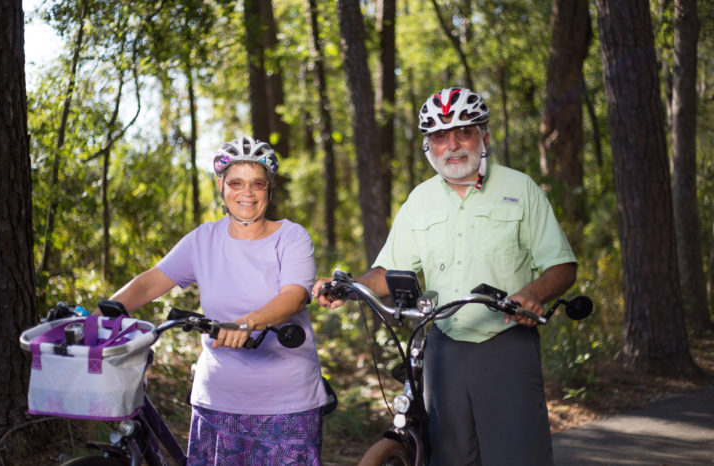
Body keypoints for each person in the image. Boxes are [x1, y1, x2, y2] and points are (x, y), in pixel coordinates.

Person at [314, 87, 577, 465]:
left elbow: (563, 267)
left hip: (506, 342)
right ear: (429, 147)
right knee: (448, 457)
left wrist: (533, 292)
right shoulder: (420, 201)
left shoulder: (521, 190)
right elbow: (388, 271)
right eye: (440, 136)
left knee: (517, 455)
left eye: (463, 132)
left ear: (483, 136)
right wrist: (347, 286)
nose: (452, 145)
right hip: (443, 348)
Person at [110, 137, 327, 465]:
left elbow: (294, 296)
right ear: (221, 187)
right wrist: (102, 311)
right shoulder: (203, 239)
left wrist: (247, 322)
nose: (247, 193)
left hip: (287, 404)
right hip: (216, 402)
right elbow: (150, 282)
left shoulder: (291, 237)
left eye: (257, 184)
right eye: (236, 183)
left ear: (269, 188)